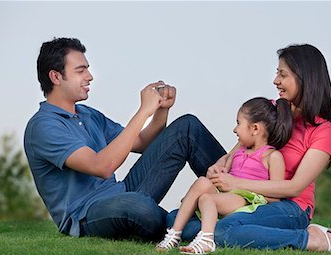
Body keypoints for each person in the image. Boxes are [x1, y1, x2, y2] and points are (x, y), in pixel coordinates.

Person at [166, 44, 331, 253]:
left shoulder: (324, 130)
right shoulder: (271, 110)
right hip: (247, 197)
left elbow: (295, 187)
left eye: (283, 74)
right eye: (277, 73)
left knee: (224, 231)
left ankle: (313, 239)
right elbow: (238, 150)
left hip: (289, 206)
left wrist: (235, 183)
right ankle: (242, 229)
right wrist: (220, 166)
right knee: (175, 218)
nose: (275, 80)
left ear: (305, 78)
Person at [24, 37, 226, 240]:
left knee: (187, 127)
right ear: (56, 77)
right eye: (80, 70)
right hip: (86, 214)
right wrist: (144, 111)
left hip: (123, 192)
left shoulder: (88, 115)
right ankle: (187, 225)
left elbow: (141, 143)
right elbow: (101, 167)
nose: (90, 76)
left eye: (87, 69)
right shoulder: (44, 126)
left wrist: (160, 111)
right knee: (137, 206)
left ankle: (244, 195)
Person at [156, 97, 293, 255]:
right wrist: (194, 194)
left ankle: (207, 239)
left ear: (255, 129)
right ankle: (174, 234)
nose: (235, 129)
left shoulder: (272, 157)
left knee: (206, 199)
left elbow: (276, 198)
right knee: (201, 182)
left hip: (247, 200)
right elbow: (220, 177)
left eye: (239, 123)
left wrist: (244, 189)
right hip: (226, 195)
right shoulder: (238, 152)